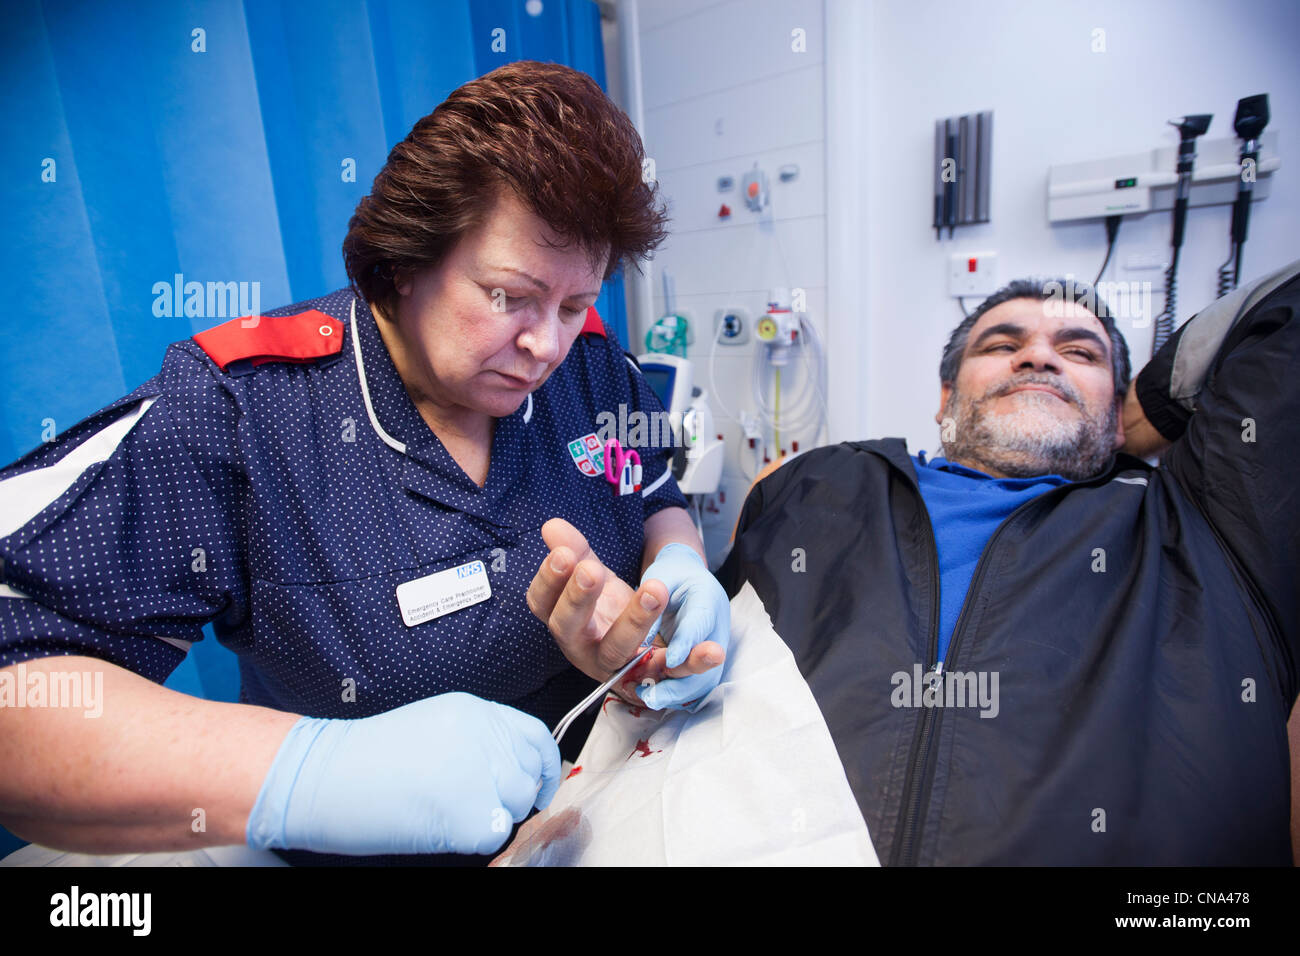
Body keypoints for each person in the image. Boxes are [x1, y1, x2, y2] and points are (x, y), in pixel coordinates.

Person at [0, 61, 728, 866]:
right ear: (407, 261)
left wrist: (674, 576)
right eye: (508, 296)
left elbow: (651, 493)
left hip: (596, 816)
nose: (546, 345)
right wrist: (310, 774)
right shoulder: (246, 413)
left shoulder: (593, 373)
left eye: (572, 303)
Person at [531, 263, 1300, 864]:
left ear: (1117, 404)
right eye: (1002, 344)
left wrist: (1154, 410)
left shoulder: (1204, 529)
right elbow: (689, 681)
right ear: (944, 397)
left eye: (1080, 352)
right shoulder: (819, 482)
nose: (1038, 354)